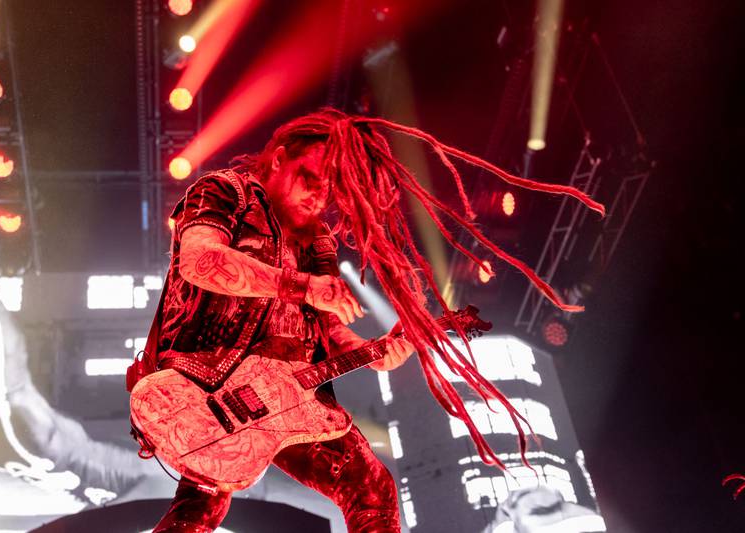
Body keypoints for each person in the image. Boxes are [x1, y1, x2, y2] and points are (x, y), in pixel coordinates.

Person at [147, 108, 604, 532]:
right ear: (278, 159)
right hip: (200, 383)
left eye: (330, 189)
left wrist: (380, 353)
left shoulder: (318, 240)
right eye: (308, 177)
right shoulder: (226, 191)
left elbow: (326, 333)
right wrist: (303, 286)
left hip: (282, 402)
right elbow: (199, 261)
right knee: (207, 494)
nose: (317, 196)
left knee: (370, 492)